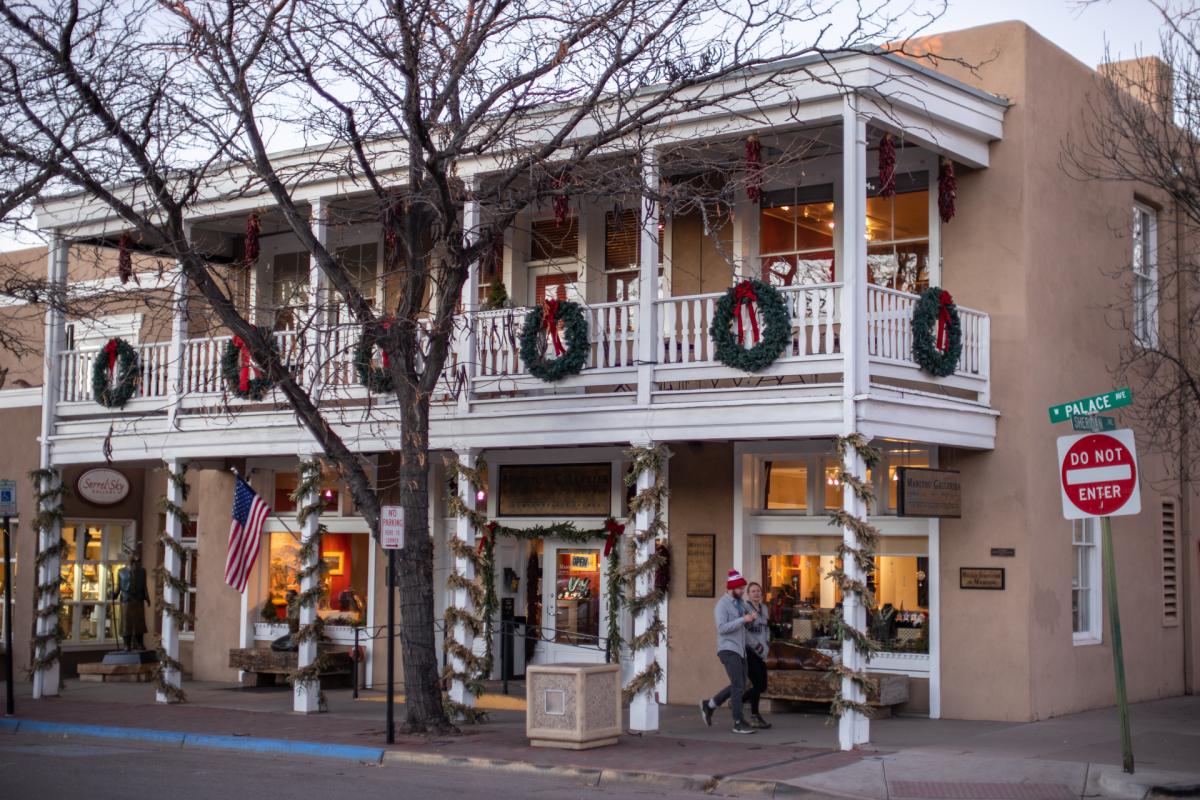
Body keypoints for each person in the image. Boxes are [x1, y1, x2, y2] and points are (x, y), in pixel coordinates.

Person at [699, 568, 758, 734]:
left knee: (740, 685)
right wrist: (742, 619)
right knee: (738, 686)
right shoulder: (722, 605)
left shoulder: (740, 603)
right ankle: (738, 722)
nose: (742, 591)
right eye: (739, 589)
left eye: (743, 588)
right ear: (731, 588)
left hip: (740, 649)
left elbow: (745, 623)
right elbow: (722, 628)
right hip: (728, 649)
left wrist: (751, 618)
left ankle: (710, 705)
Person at [742, 582, 772, 729]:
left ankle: (739, 700)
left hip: (762, 651)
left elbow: (766, 628)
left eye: (758, 591)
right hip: (749, 650)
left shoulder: (764, 608)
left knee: (762, 685)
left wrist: (766, 645)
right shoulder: (745, 608)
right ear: (748, 594)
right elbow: (744, 631)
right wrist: (757, 646)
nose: (756, 593)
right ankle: (755, 715)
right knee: (757, 683)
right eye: (753, 591)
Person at [111, 550, 149, 651]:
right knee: (126, 623)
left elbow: (144, 586)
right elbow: (118, 587)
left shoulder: (142, 571)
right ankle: (126, 644)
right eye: (133, 559)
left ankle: (139, 643)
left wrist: (147, 597)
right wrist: (114, 594)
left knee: (139, 623)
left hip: (138, 600)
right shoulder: (121, 572)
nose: (135, 562)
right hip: (126, 600)